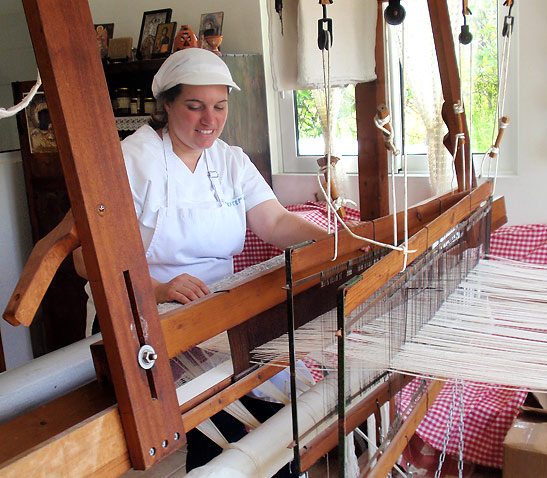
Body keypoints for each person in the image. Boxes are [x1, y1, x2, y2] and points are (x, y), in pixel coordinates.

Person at [74, 47, 328, 475]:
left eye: (219, 106)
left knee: (287, 408)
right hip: (144, 316)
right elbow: (84, 259)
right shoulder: (129, 162)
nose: (209, 119)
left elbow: (276, 222)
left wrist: (334, 243)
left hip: (217, 311)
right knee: (228, 418)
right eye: (194, 107)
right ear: (167, 104)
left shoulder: (230, 160)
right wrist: (157, 289)